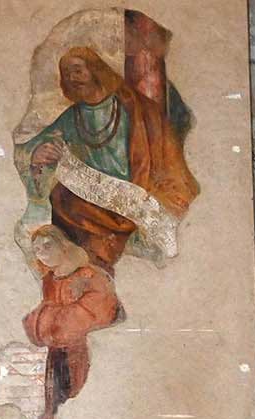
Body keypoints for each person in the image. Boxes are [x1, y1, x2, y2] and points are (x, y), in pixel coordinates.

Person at [18, 46, 198, 270]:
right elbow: (32, 145)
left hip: (131, 195)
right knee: (61, 198)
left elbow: (163, 151)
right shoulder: (72, 116)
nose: (73, 78)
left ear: (95, 70)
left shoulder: (134, 108)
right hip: (87, 201)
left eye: (78, 70)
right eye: (67, 74)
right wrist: (36, 153)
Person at [21, 226, 122, 419]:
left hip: (82, 351)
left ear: (64, 245)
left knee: (76, 401)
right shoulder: (49, 280)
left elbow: (97, 312)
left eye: (48, 245)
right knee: (53, 400)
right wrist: (48, 323)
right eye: (37, 250)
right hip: (56, 353)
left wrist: (50, 322)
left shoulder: (89, 275)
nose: (43, 253)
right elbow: (38, 322)